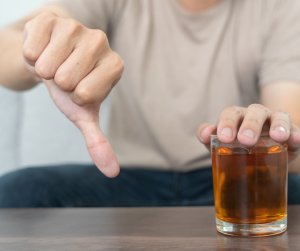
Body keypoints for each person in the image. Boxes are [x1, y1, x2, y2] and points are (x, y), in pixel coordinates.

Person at [0, 0, 299, 207]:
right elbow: (9, 42)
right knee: (20, 189)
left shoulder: (281, 7)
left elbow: (286, 122)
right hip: (126, 177)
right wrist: (39, 52)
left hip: (231, 179)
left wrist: (269, 130)